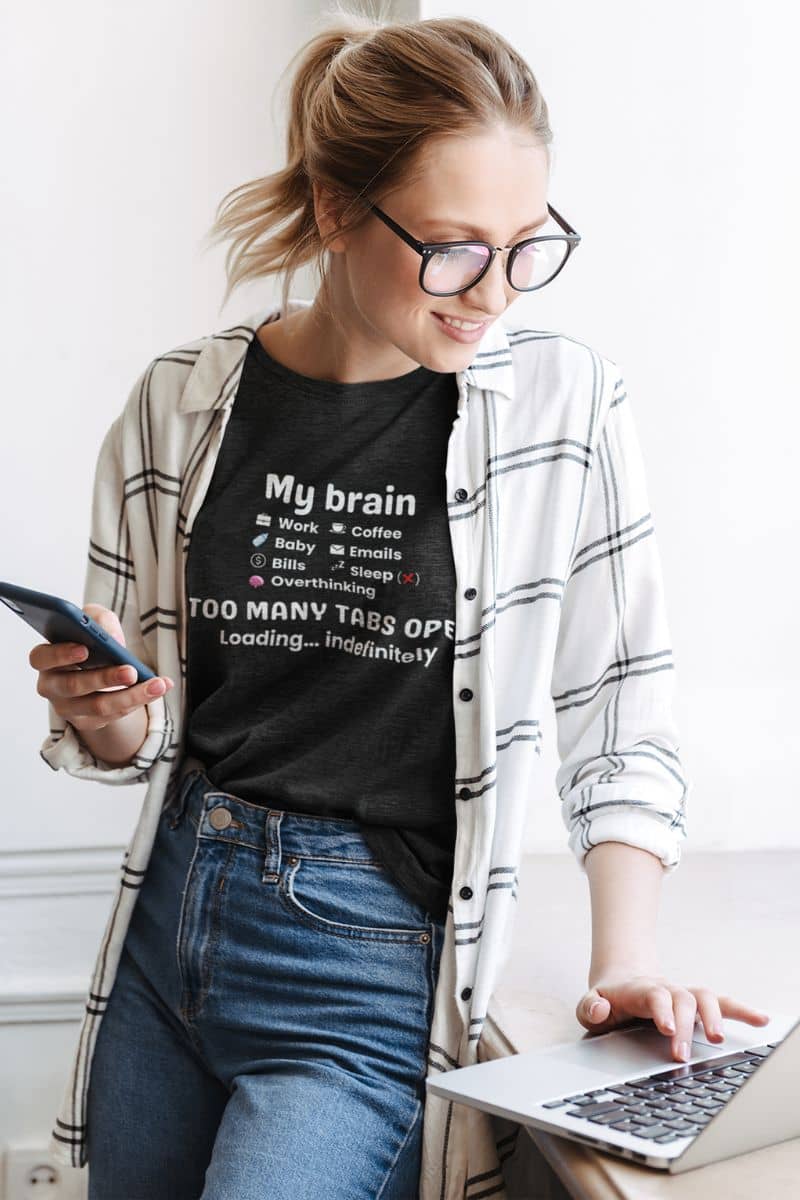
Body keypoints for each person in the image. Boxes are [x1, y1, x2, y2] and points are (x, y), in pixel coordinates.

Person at [31, 7, 770, 1199]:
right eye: (452, 247)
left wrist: (621, 959)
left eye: (525, 244)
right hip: (173, 927)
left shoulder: (559, 407)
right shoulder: (181, 402)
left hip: (363, 970)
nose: (493, 292)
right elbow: (139, 736)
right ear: (334, 210)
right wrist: (105, 710)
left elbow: (621, 707)